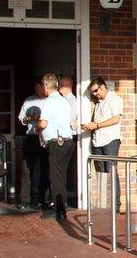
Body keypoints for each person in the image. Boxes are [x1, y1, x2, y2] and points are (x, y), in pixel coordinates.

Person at [36, 73, 75, 221]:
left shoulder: (49, 102)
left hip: (57, 143)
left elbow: (43, 123)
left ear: (46, 86)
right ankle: (61, 205)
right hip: (67, 142)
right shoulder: (64, 101)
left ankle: (58, 209)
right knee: (61, 175)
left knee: (55, 177)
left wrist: (37, 127)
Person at [82, 77, 123, 212]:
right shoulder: (99, 103)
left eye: (95, 91)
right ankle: (104, 204)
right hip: (98, 141)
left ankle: (115, 206)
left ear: (103, 86)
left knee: (111, 171)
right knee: (102, 173)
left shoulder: (114, 99)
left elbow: (116, 119)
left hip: (110, 140)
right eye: (92, 92)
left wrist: (97, 125)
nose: (94, 94)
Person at [18, 77, 49, 210]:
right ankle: (25, 199)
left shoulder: (50, 101)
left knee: (45, 169)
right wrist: (29, 118)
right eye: (36, 86)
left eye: (39, 86)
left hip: (44, 136)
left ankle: (44, 199)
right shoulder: (29, 100)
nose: (37, 89)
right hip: (31, 136)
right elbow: (21, 118)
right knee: (27, 168)